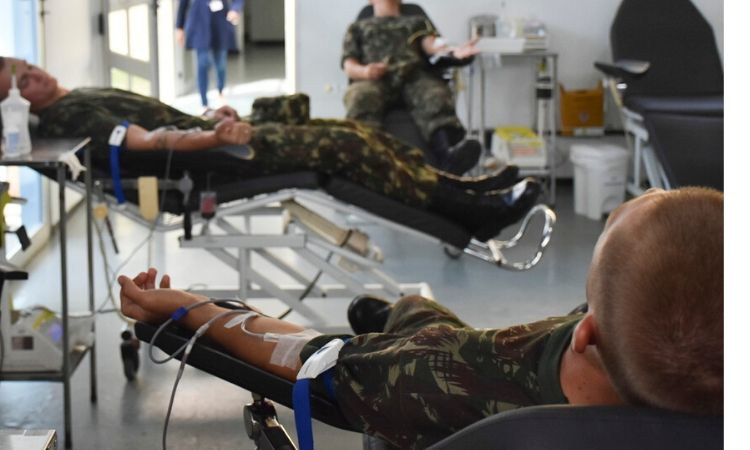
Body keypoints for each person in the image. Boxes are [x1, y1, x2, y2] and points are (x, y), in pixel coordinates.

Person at [118, 187, 723, 449]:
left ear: (586, 328)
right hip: (458, 346)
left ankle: (394, 316)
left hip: (443, 356)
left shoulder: (440, 377)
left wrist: (187, 309)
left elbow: (311, 357)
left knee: (416, 327)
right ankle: (395, 313)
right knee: (419, 318)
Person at [0, 56, 537, 241]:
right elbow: (144, 140)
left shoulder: (79, 91)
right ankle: (471, 213)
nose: (35, 77)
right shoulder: (67, 115)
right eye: (22, 83)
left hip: (213, 134)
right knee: (345, 145)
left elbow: (161, 118)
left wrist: (212, 116)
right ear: (18, 104)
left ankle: (461, 186)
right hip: (214, 162)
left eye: (29, 67)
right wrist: (213, 136)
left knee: (353, 129)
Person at [342, 0, 481, 175]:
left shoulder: (416, 22)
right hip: (375, 79)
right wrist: (366, 71)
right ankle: (365, 160)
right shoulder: (357, 28)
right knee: (360, 97)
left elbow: (432, 46)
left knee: (435, 94)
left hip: (413, 76)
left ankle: (448, 157)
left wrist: (453, 52)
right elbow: (349, 64)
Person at [176, 0, 243, 110]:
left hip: (220, 22)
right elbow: (183, 3)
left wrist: (235, 9)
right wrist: (179, 27)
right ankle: (204, 102)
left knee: (220, 62)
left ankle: (220, 92)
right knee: (203, 62)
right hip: (199, 22)